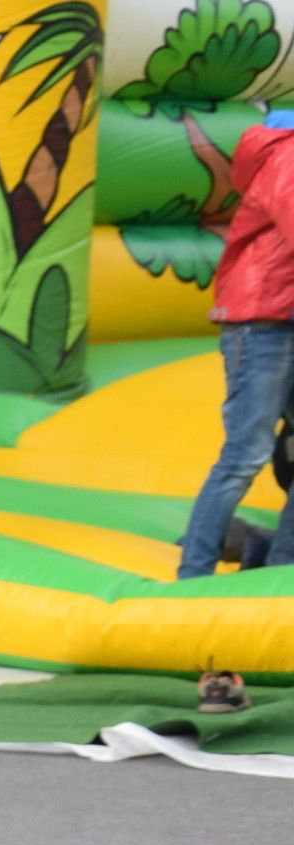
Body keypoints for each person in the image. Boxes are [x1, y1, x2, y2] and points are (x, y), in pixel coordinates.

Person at [176, 109, 294, 712]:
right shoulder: (287, 152)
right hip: (263, 322)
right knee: (245, 453)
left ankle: (279, 571)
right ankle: (191, 579)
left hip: (283, 317)